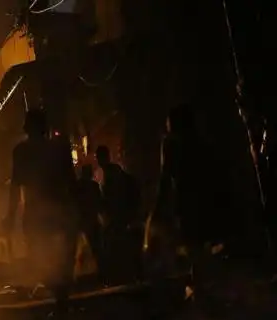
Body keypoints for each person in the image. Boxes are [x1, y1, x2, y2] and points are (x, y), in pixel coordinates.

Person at [149, 104, 228, 291]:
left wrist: (157, 211)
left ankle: (203, 293)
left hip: (188, 204)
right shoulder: (201, 143)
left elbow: (166, 177)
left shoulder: (171, 144)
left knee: (194, 249)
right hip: (204, 201)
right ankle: (207, 290)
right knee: (201, 249)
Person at [6, 108, 78, 314]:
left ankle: (60, 304)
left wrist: (10, 218)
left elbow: (15, 187)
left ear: (27, 129)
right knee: (56, 259)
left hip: (40, 214)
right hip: (54, 212)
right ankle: (61, 302)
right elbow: (70, 182)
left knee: (46, 259)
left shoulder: (22, 152)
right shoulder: (57, 149)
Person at [96, 145, 141, 282]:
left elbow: (111, 196)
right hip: (119, 216)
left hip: (118, 216)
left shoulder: (110, 173)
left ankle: (121, 276)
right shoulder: (111, 172)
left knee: (117, 245)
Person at [75, 163, 106, 283]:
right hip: (91, 222)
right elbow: (99, 204)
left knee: (81, 250)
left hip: (81, 222)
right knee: (95, 250)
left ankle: (79, 275)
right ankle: (99, 275)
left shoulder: (77, 186)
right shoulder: (93, 186)